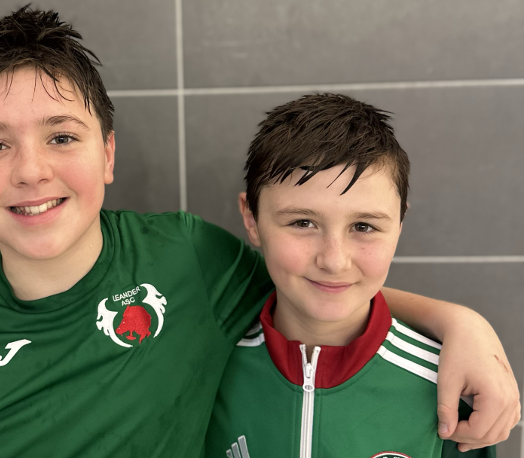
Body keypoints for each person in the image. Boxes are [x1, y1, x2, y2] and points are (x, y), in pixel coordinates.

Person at [0, 7, 519, 457]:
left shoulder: (188, 258)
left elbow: (312, 279)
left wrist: (459, 322)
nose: (31, 171)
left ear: (108, 152)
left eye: (61, 136)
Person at [205, 94, 507, 457]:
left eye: (363, 226)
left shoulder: (453, 388)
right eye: (302, 223)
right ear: (251, 219)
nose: (334, 261)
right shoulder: (203, 371)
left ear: (399, 225)